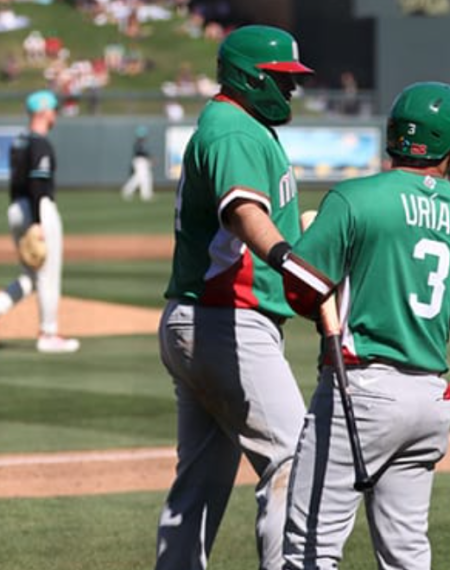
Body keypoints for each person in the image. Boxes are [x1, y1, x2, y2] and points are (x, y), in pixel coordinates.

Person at [277, 81, 450, 570]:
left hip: (362, 388)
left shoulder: (354, 199)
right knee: (406, 555)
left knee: (311, 551)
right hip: (430, 399)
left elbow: (301, 293)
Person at [155, 25, 314, 570]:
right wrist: (287, 259)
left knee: (198, 484)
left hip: (201, 319)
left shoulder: (236, 125)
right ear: (251, 77)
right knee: (295, 459)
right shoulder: (235, 131)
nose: (290, 91)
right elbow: (244, 214)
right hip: (227, 322)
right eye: (282, 80)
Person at [0, 90, 80, 353]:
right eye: (53, 109)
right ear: (44, 111)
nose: (55, 114)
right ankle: (49, 334)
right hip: (37, 208)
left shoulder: (19, 141)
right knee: (48, 275)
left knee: (31, 275)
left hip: (16, 207)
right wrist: (37, 221)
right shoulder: (40, 143)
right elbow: (37, 183)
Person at [120, 125, 154, 202]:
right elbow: (140, 153)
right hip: (139, 161)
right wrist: (150, 158)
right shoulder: (138, 143)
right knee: (140, 177)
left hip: (143, 161)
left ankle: (146, 194)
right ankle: (128, 191)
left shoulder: (141, 143)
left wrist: (149, 158)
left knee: (144, 177)